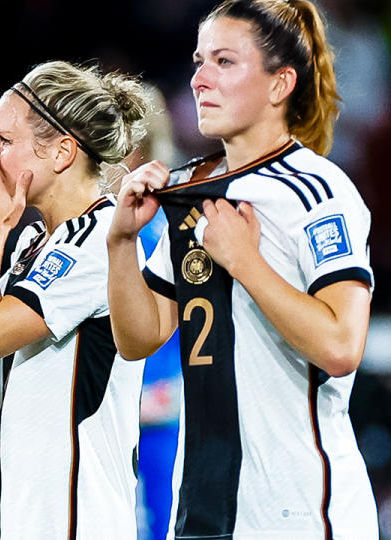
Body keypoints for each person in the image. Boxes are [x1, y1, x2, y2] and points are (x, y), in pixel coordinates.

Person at [106, 1, 378, 538]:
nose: (200, 78)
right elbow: (139, 341)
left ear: (280, 85)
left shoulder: (319, 193)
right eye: (198, 60)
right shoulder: (193, 192)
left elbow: (342, 347)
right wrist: (120, 241)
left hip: (298, 511)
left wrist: (245, 262)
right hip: (202, 509)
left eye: (224, 61)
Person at [0, 61, 151, 539]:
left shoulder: (97, 243)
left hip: (71, 516)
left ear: (62, 153)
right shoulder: (38, 240)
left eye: (5, 141)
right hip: (15, 509)